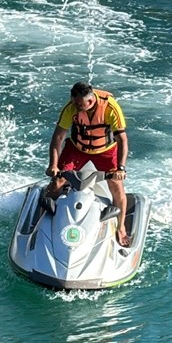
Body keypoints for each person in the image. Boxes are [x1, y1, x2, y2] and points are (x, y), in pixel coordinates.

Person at [46, 81, 130, 246]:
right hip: (77, 148)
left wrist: (120, 167)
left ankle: (121, 228)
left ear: (90, 102)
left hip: (105, 151)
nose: (75, 107)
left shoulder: (110, 108)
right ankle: (45, 217)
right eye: (74, 102)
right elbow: (58, 138)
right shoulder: (70, 108)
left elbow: (122, 140)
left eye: (79, 104)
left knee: (116, 185)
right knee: (57, 182)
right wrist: (53, 165)